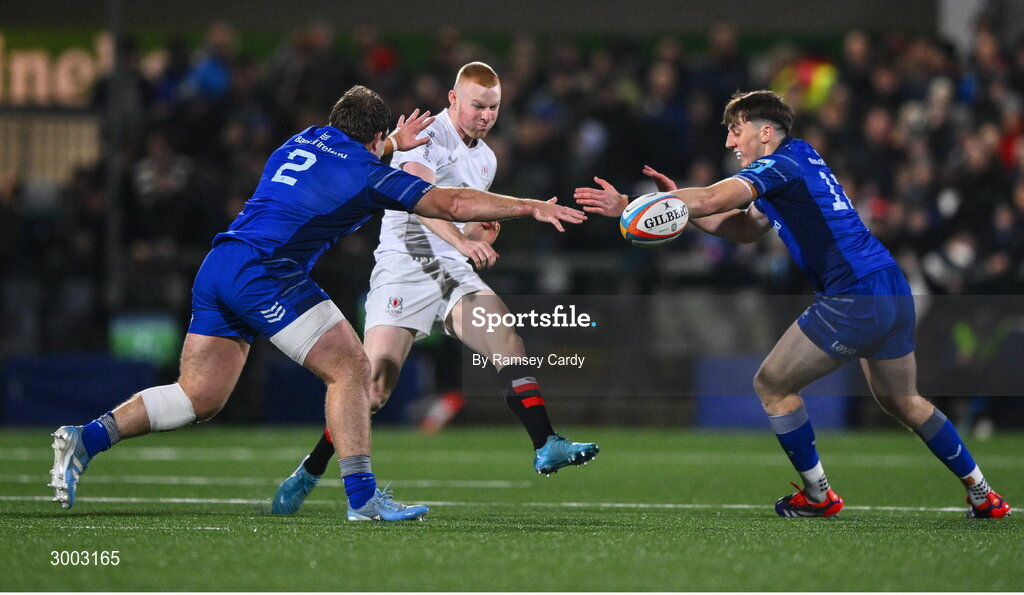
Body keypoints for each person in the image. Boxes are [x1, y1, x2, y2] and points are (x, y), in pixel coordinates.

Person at [49, 84, 586, 522]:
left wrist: (393, 144)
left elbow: (350, 159)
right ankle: (362, 498)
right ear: (376, 137)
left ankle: (86, 438)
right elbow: (452, 202)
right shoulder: (369, 172)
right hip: (267, 272)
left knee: (200, 396)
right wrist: (530, 206)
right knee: (352, 368)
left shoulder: (303, 139)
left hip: (220, 265)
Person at [574, 90, 1011, 519]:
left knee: (772, 385)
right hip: (889, 286)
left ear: (765, 133)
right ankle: (982, 492)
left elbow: (708, 199)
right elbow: (746, 229)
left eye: (735, 130)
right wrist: (678, 210)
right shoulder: (798, 160)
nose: (729, 142)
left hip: (851, 295)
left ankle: (818, 495)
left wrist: (640, 204)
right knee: (904, 400)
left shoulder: (778, 164)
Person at [272, 62, 598, 516]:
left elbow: (464, 212)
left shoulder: (486, 157)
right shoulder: (428, 137)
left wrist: (479, 236)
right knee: (374, 386)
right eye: (477, 106)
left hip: (451, 272)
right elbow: (422, 203)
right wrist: (466, 237)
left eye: (494, 108)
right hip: (404, 268)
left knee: (505, 335)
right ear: (453, 99)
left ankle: (546, 443)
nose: (486, 116)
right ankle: (310, 469)